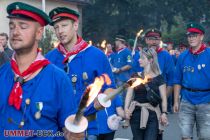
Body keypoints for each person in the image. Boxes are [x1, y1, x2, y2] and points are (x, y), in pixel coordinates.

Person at [0, 2, 83, 140]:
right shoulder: (2, 74)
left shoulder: (58, 79)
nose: (15, 32)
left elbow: (68, 129)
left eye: (23, 26)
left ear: (39, 33)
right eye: (12, 26)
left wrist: (74, 134)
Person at [45, 7, 116, 140]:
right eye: (56, 27)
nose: (60, 31)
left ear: (75, 25)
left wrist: (103, 99)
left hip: (88, 128)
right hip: (57, 130)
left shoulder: (97, 56)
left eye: (64, 26)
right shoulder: (49, 59)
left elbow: (110, 88)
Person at [173, 22, 210, 140]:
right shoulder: (183, 56)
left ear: (202, 37)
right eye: (189, 36)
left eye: (195, 35)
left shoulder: (209, 54)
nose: (191, 38)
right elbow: (177, 80)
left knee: (205, 136)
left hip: (206, 101)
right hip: (186, 100)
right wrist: (176, 101)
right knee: (185, 136)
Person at [124, 48, 168, 140]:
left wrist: (164, 113)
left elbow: (164, 98)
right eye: (139, 57)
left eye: (142, 58)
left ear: (150, 60)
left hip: (153, 114)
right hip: (136, 113)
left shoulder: (159, 78)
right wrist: (126, 110)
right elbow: (129, 94)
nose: (139, 60)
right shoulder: (134, 76)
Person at [110, 35, 133, 104]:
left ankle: (123, 112)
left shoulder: (127, 52)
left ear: (120, 41)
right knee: (117, 98)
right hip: (116, 79)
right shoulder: (116, 53)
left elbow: (129, 65)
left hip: (124, 79)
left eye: (116, 41)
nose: (115, 42)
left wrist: (119, 70)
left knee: (122, 98)